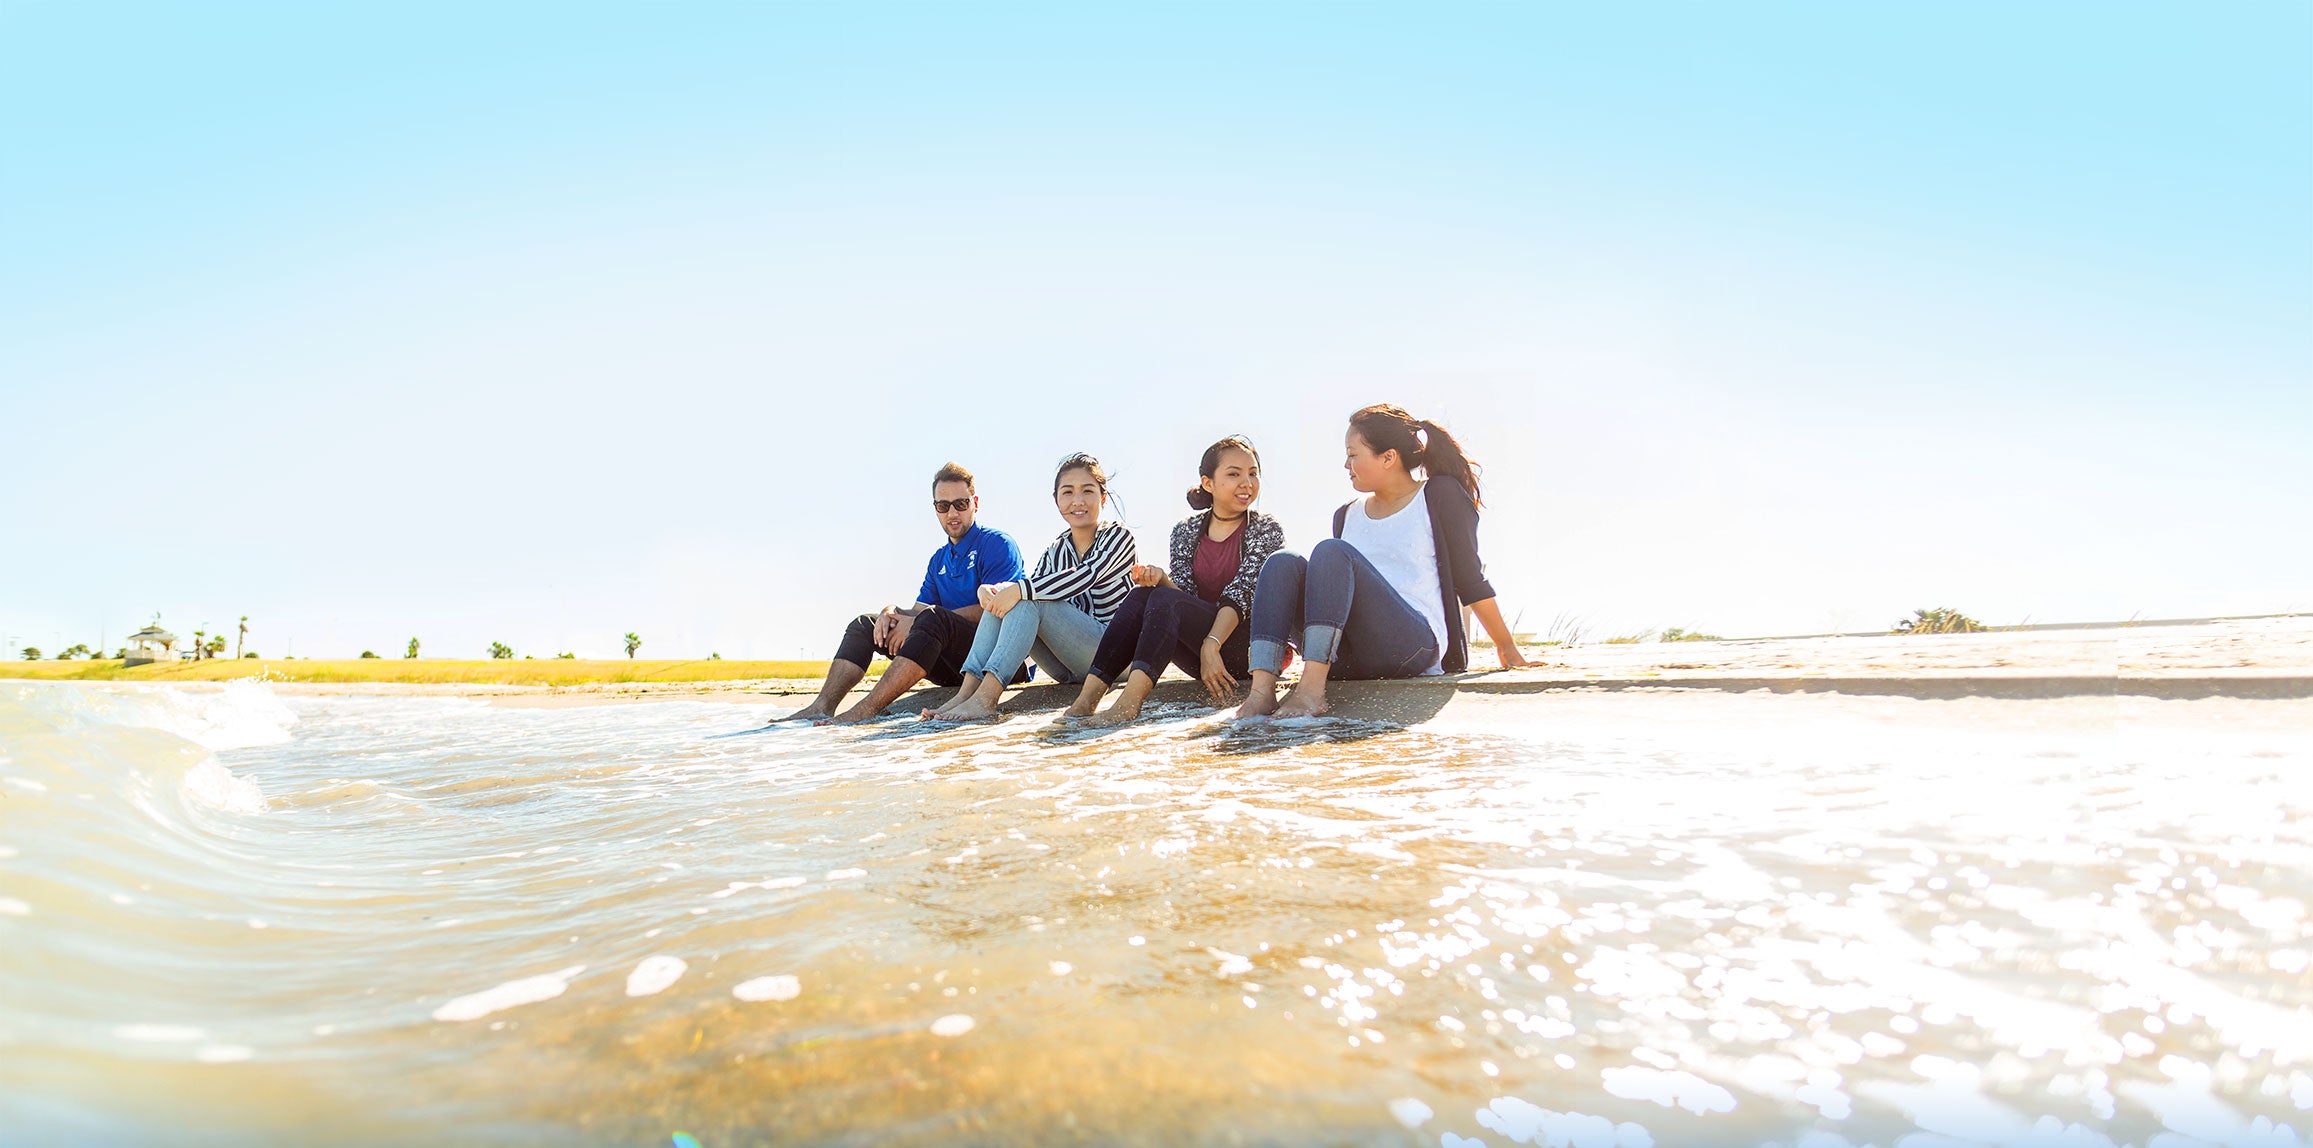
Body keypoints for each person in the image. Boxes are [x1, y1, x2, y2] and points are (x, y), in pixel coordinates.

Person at [1237, 404, 1533, 720]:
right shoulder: (1346, 514)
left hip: (1412, 646)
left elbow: (1468, 576)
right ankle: (1261, 693)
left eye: (1353, 454)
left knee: (1331, 551)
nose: (1346, 464)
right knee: (1282, 562)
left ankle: (1310, 691)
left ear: (1388, 457)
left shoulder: (1438, 494)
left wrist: (1506, 648)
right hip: (1347, 654)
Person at [776, 462, 1025, 724]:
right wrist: (891, 612)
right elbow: (918, 611)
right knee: (865, 624)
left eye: (961, 504)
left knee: (932, 618)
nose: (952, 512)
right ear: (935, 509)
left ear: (975, 502)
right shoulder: (939, 559)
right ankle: (821, 706)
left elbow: (999, 607)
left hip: (997, 662)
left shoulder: (997, 544)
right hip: (952, 666)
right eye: (943, 506)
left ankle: (865, 710)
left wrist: (918, 621)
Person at [1064, 436, 1285, 725]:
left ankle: (1128, 704)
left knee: (1162, 598)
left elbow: (1241, 595)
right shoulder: (1186, 530)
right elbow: (1184, 597)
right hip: (1203, 654)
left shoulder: (1266, 528)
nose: (1247, 482)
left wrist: (1211, 644)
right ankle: (1086, 700)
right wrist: (1162, 579)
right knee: (1141, 595)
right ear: (1208, 483)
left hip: (1242, 650)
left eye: (1253, 473)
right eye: (1234, 474)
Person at [925, 453, 1137, 722]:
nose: (1078, 501)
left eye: (1087, 491)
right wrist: (991, 590)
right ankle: (966, 693)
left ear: (1103, 497)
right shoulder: (1055, 550)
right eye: (1068, 492)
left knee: (1024, 597)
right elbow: (1032, 587)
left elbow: (1085, 575)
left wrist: (1016, 591)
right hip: (1068, 668)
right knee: (1011, 597)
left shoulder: (1119, 536)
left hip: (1116, 658)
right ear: (1057, 500)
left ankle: (986, 699)